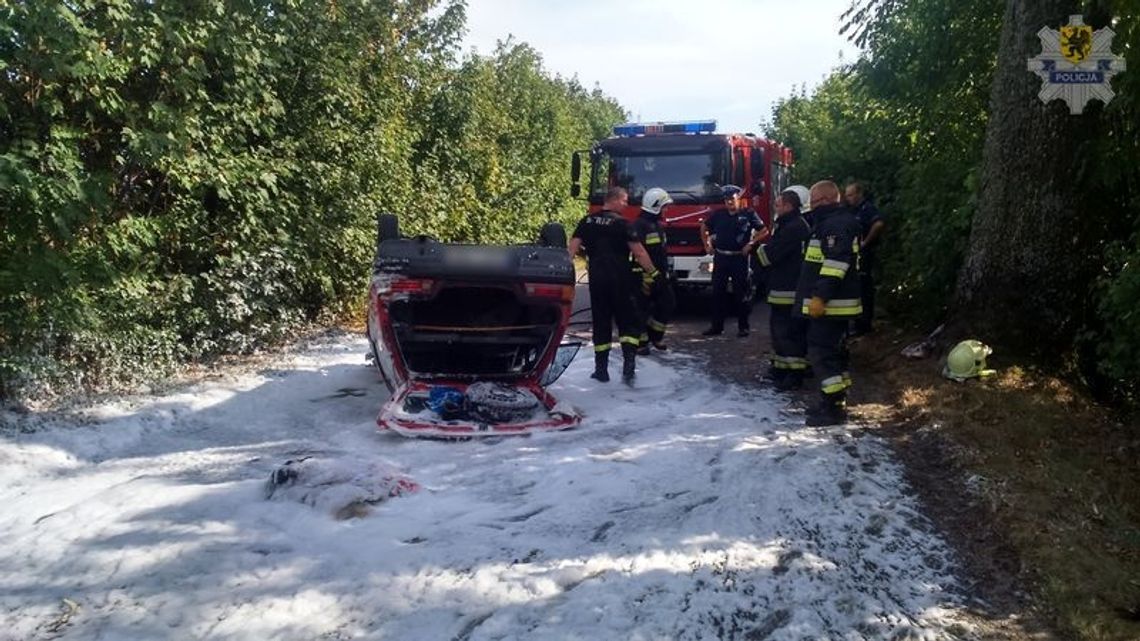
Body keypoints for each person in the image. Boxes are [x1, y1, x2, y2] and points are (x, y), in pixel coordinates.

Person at [568, 187, 660, 385]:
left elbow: (572, 250)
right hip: (622, 280)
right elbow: (640, 253)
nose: (626, 205)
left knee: (601, 322)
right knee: (627, 321)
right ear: (615, 200)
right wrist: (653, 273)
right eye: (625, 201)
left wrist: (565, 272)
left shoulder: (587, 221)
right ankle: (628, 367)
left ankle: (601, 370)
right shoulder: (623, 224)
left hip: (597, 280)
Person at [794, 181, 862, 426]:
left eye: (813, 201)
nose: (811, 207)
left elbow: (836, 264)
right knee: (834, 354)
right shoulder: (833, 222)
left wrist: (820, 297)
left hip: (831, 305)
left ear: (823, 200)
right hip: (834, 304)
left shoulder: (834, 225)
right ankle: (834, 401)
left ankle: (833, 409)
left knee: (822, 353)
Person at [755, 185, 813, 390]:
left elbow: (770, 255)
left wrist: (758, 249)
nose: (775, 207)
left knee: (789, 333)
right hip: (784, 286)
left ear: (788, 206)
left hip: (789, 288)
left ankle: (794, 375)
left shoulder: (793, 227)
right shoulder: (792, 224)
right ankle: (780, 369)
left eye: (778, 204)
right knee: (779, 331)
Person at [700, 185, 765, 338]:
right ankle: (716, 326)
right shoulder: (719, 214)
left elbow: (763, 230)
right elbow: (704, 226)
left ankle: (743, 327)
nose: (729, 202)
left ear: (738, 199)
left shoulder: (748, 213)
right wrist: (707, 244)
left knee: (741, 294)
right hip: (721, 257)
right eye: (727, 199)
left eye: (732, 199)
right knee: (717, 293)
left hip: (738, 259)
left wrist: (751, 243)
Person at [631, 187, 677, 354]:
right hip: (644, 277)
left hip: (659, 276)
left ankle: (655, 336)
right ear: (655, 206)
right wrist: (643, 277)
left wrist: (666, 273)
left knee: (668, 304)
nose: (667, 210)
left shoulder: (657, 225)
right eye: (664, 206)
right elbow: (636, 254)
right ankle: (641, 343)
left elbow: (660, 252)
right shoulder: (638, 226)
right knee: (640, 309)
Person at [844, 181, 886, 335]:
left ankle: (864, 324)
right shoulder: (852, 210)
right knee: (855, 288)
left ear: (859, 194)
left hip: (865, 255)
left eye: (850, 195)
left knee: (864, 289)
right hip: (854, 255)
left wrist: (866, 242)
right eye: (846, 195)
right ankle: (856, 322)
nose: (848, 198)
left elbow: (879, 224)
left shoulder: (867, 209)